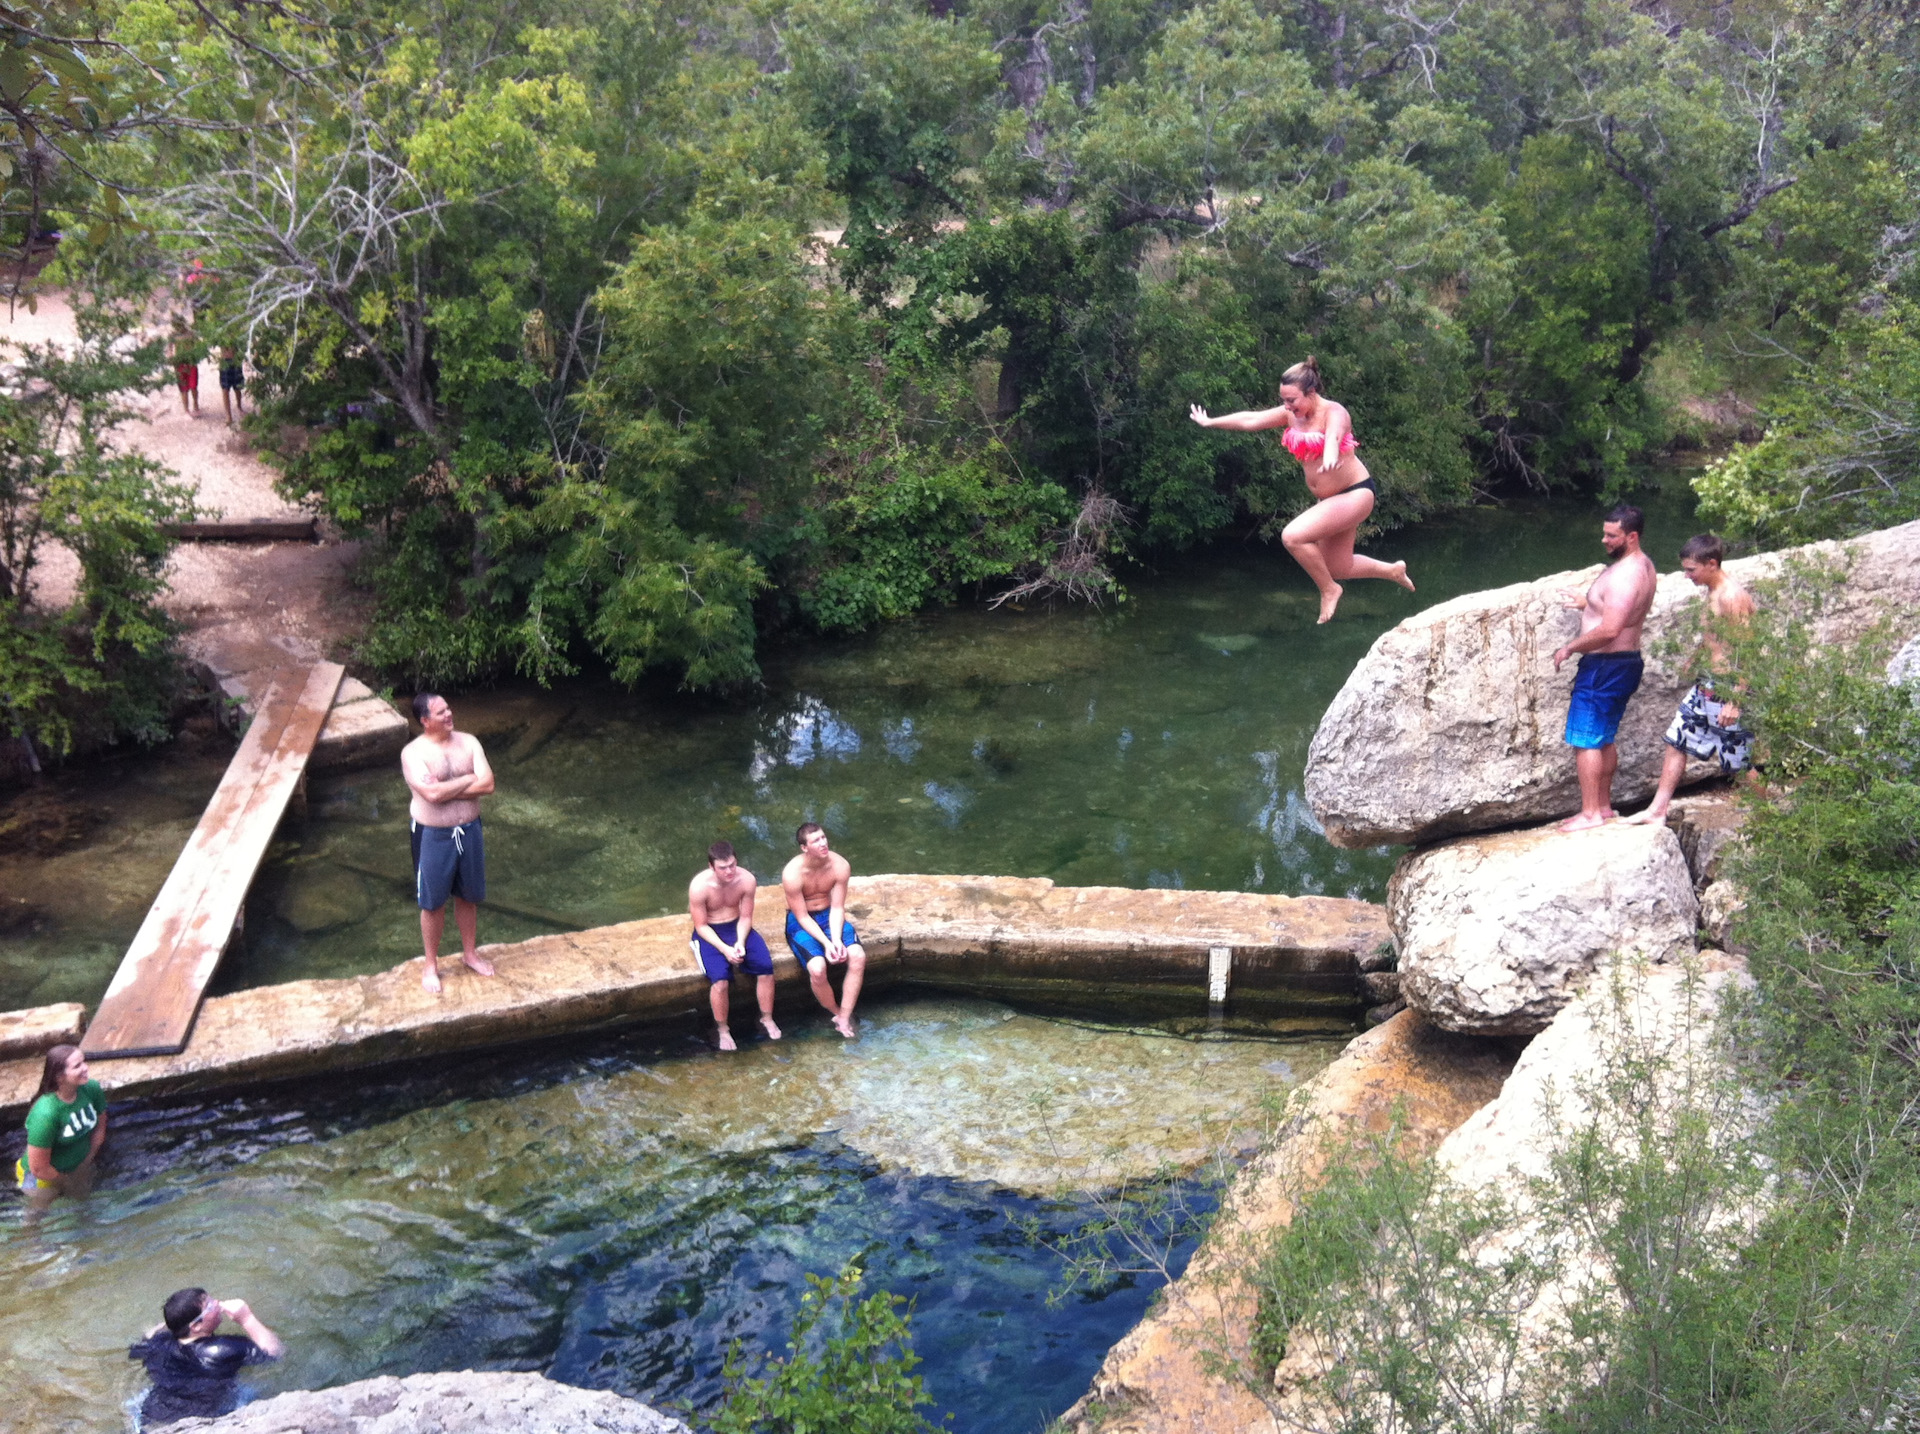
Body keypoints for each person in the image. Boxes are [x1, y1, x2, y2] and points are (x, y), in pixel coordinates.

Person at [1189, 356, 1415, 624]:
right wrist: (1211, 422)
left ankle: (1329, 589)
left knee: (1293, 536)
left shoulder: (1334, 412)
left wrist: (1330, 455)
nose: (1287, 406)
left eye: (1292, 400)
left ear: (1311, 392)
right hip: (1330, 500)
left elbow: (1334, 435)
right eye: (1284, 400)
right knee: (1337, 566)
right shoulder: (1291, 415)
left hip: (1356, 493)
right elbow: (1252, 419)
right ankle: (1392, 571)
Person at [1624, 533, 1759, 825]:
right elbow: (1716, 636)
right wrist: (1696, 657)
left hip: (1727, 689)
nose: (1687, 576)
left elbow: (1746, 650)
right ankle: (1657, 810)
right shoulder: (1712, 591)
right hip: (1706, 686)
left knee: (1737, 764)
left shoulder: (1732, 596)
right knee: (1677, 740)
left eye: (1691, 570)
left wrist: (1735, 701)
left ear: (1712, 563)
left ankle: (1772, 813)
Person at [1552, 505, 1660, 832]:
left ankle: (1590, 814)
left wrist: (1571, 646)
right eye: (1605, 533)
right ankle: (1603, 806)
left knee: (1585, 739)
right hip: (1623, 664)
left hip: (1605, 665)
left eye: (1612, 536)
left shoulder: (1627, 574)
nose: (1605, 540)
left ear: (1632, 535)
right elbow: (1620, 610)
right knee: (1604, 737)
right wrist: (1590, 603)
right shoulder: (1644, 566)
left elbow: (1611, 628)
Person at [401, 692, 496, 993]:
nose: (449, 714)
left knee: (468, 895)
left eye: (448, 709)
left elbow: (489, 783)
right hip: (433, 834)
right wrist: (469, 780)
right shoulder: (413, 754)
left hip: (469, 829)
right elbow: (433, 796)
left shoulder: (469, 742)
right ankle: (431, 965)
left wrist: (448, 787)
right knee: (432, 903)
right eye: (441, 712)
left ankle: (470, 953)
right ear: (425, 720)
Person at [129, 1287, 283, 1427]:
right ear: (195, 1326)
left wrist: (175, 1322)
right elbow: (275, 1353)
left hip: (150, 1412)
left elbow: (139, 1345)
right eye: (210, 1306)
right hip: (196, 1421)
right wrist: (246, 1318)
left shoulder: (159, 1342)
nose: (217, 1304)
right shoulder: (222, 1349)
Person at [690, 840, 782, 1051]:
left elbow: (746, 917)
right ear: (711, 867)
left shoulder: (746, 880)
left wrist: (740, 942)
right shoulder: (699, 887)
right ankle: (722, 1029)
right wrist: (725, 949)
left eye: (732, 865)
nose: (729, 871)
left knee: (766, 969)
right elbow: (701, 925)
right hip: (710, 932)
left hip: (737, 926)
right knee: (720, 981)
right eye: (723, 868)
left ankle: (766, 1018)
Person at [781, 823, 866, 1038]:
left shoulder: (840, 866)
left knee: (857, 955)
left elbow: (838, 907)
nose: (823, 843)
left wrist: (836, 940)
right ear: (804, 847)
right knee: (817, 968)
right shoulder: (792, 873)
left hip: (830, 915)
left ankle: (846, 1016)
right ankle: (835, 1012)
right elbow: (801, 916)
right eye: (816, 841)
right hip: (802, 920)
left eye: (823, 837)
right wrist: (827, 944)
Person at [15, 1043, 106, 1209]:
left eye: (84, 1062)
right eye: (77, 1066)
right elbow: (39, 1168)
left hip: (77, 1167)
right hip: (41, 1180)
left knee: (84, 1209)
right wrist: (67, 1182)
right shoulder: (46, 1114)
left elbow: (100, 1129)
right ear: (59, 1077)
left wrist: (84, 1164)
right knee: (35, 1221)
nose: (86, 1068)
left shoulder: (91, 1089)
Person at [169, 317, 200, 417]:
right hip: (180, 363)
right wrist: (172, 360)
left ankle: (195, 404)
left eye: (180, 325)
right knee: (184, 388)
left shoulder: (191, 334)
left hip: (191, 362)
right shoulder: (172, 336)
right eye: (176, 326)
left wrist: (195, 357)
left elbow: (198, 346)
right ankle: (186, 409)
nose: (179, 328)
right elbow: (170, 351)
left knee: (193, 386)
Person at [217, 347, 245, 426]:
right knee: (225, 389)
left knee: (238, 387)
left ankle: (239, 407)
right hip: (224, 360)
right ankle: (228, 416)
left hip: (235, 360)